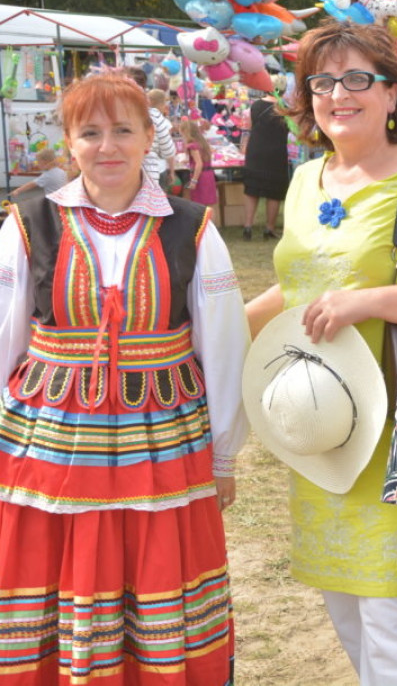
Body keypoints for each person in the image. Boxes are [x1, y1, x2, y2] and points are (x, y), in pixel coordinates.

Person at [244, 20, 397, 685]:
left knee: (395, 631)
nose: (338, 94)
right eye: (322, 81)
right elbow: (298, 286)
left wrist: (368, 301)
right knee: (353, 622)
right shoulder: (305, 181)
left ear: (394, 93)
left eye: (359, 78)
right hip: (324, 434)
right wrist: (211, 330)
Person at [0, 71, 248, 683]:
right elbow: (3, 335)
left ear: (147, 140)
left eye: (122, 130)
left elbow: (222, 346)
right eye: (89, 132)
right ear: (69, 142)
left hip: (163, 441)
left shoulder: (192, 226)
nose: (106, 146)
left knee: (155, 563)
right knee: (50, 565)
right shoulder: (30, 222)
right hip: (50, 442)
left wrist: (223, 456)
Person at [241, 91, 290, 240]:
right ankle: (269, 228)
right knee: (274, 191)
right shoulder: (284, 107)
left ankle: (248, 226)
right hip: (276, 151)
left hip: (256, 149)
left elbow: (248, 128)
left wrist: (244, 147)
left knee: (252, 189)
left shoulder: (255, 106)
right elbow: (292, 128)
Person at [124, 67, 176, 191]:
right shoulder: (153, 116)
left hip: (118, 182)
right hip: (149, 180)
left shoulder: (109, 115)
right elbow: (168, 151)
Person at [179, 117, 219, 212]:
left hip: (200, 177)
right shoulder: (202, 143)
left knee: (199, 205)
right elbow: (201, 159)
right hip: (209, 175)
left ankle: (203, 225)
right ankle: (210, 225)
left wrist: (194, 180)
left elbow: (199, 163)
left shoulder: (193, 145)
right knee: (209, 205)